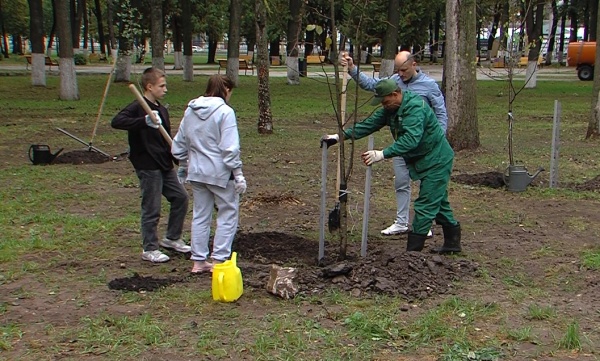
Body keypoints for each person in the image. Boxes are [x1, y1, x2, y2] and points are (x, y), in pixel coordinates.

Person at [321, 79, 461, 254]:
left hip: (437, 160)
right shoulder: (392, 108)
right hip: (423, 160)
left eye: (385, 101)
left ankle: (412, 253)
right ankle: (453, 244)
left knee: (426, 205)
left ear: (395, 94)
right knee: (438, 202)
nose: (384, 105)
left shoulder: (415, 108)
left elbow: (411, 140)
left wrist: (382, 154)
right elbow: (368, 125)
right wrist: (339, 136)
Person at [340, 51, 448, 237]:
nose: (400, 74)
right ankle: (401, 222)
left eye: (404, 70)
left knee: (427, 185)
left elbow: (441, 114)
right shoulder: (393, 81)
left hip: (425, 147)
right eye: (398, 70)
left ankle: (424, 223)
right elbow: (373, 86)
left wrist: (437, 141)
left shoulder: (429, 86)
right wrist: (352, 69)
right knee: (401, 182)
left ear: (414, 64)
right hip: (403, 143)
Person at [111, 67, 191, 263]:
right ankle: (150, 248)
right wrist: (143, 121)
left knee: (181, 198)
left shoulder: (161, 109)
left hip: (164, 162)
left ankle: (172, 238)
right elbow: (117, 121)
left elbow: (165, 139)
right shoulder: (138, 106)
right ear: (149, 86)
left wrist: (177, 160)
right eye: (161, 86)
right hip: (147, 164)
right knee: (152, 207)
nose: (165, 89)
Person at [171, 75, 246, 273]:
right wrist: (238, 174)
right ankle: (219, 260)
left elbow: (179, 142)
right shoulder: (225, 112)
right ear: (226, 90)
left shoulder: (191, 110)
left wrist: (183, 164)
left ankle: (198, 260)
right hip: (220, 174)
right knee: (227, 214)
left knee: (200, 215)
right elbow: (229, 148)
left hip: (196, 172)